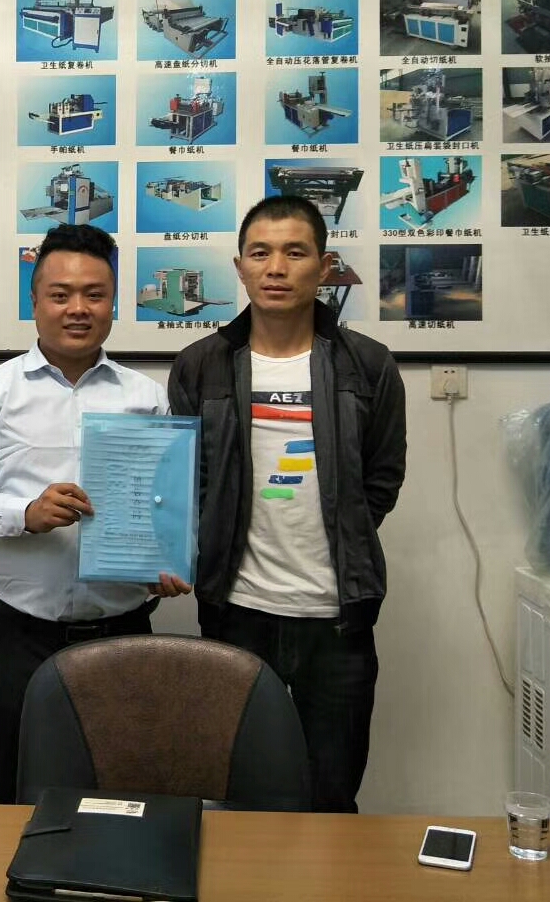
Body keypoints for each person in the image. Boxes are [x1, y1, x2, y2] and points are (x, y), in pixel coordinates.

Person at [0, 223, 191, 804]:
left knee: (121, 791)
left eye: (95, 295)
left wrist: (164, 557)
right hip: (18, 635)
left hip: (122, 632)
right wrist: (24, 512)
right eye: (60, 294)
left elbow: (162, 503)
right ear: (35, 301)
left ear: (113, 302)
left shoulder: (146, 397)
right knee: (13, 793)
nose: (78, 308)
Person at [167, 195, 406, 815]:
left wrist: (346, 531)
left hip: (338, 621)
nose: (276, 268)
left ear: (324, 267)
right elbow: (188, 481)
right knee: (241, 796)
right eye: (261, 253)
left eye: (295, 253)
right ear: (240, 267)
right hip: (237, 614)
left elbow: (382, 477)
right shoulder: (200, 365)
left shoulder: (367, 364)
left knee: (332, 797)